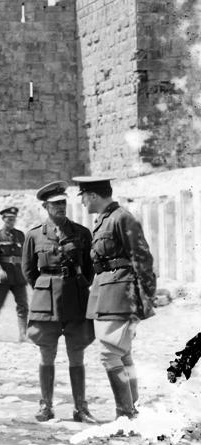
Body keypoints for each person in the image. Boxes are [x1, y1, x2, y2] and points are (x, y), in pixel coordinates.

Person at [73, 175, 157, 419]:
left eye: (84, 198)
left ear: (93, 196)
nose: (83, 204)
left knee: (110, 354)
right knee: (122, 353)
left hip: (122, 292)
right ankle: (132, 411)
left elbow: (143, 258)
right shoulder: (104, 220)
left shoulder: (122, 217)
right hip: (107, 290)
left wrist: (146, 297)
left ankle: (125, 413)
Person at [23, 181, 98, 423]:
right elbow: (28, 271)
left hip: (76, 300)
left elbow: (88, 270)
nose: (60, 207)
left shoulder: (82, 233)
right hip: (46, 303)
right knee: (47, 355)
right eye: (55, 204)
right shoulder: (34, 235)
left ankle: (80, 407)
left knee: (77, 355)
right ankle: (46, 405)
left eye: (63, 203)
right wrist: (46, 286)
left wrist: (77, 283)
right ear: (45, 206)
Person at [0, 207, 28, 342]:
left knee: (23, 306)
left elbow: (26, 256)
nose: (11, 221)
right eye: (9, 219)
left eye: (13, 219)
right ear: (3, 219)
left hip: (18, 277)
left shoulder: (21, 235)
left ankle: (23, 334)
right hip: (3, 277)